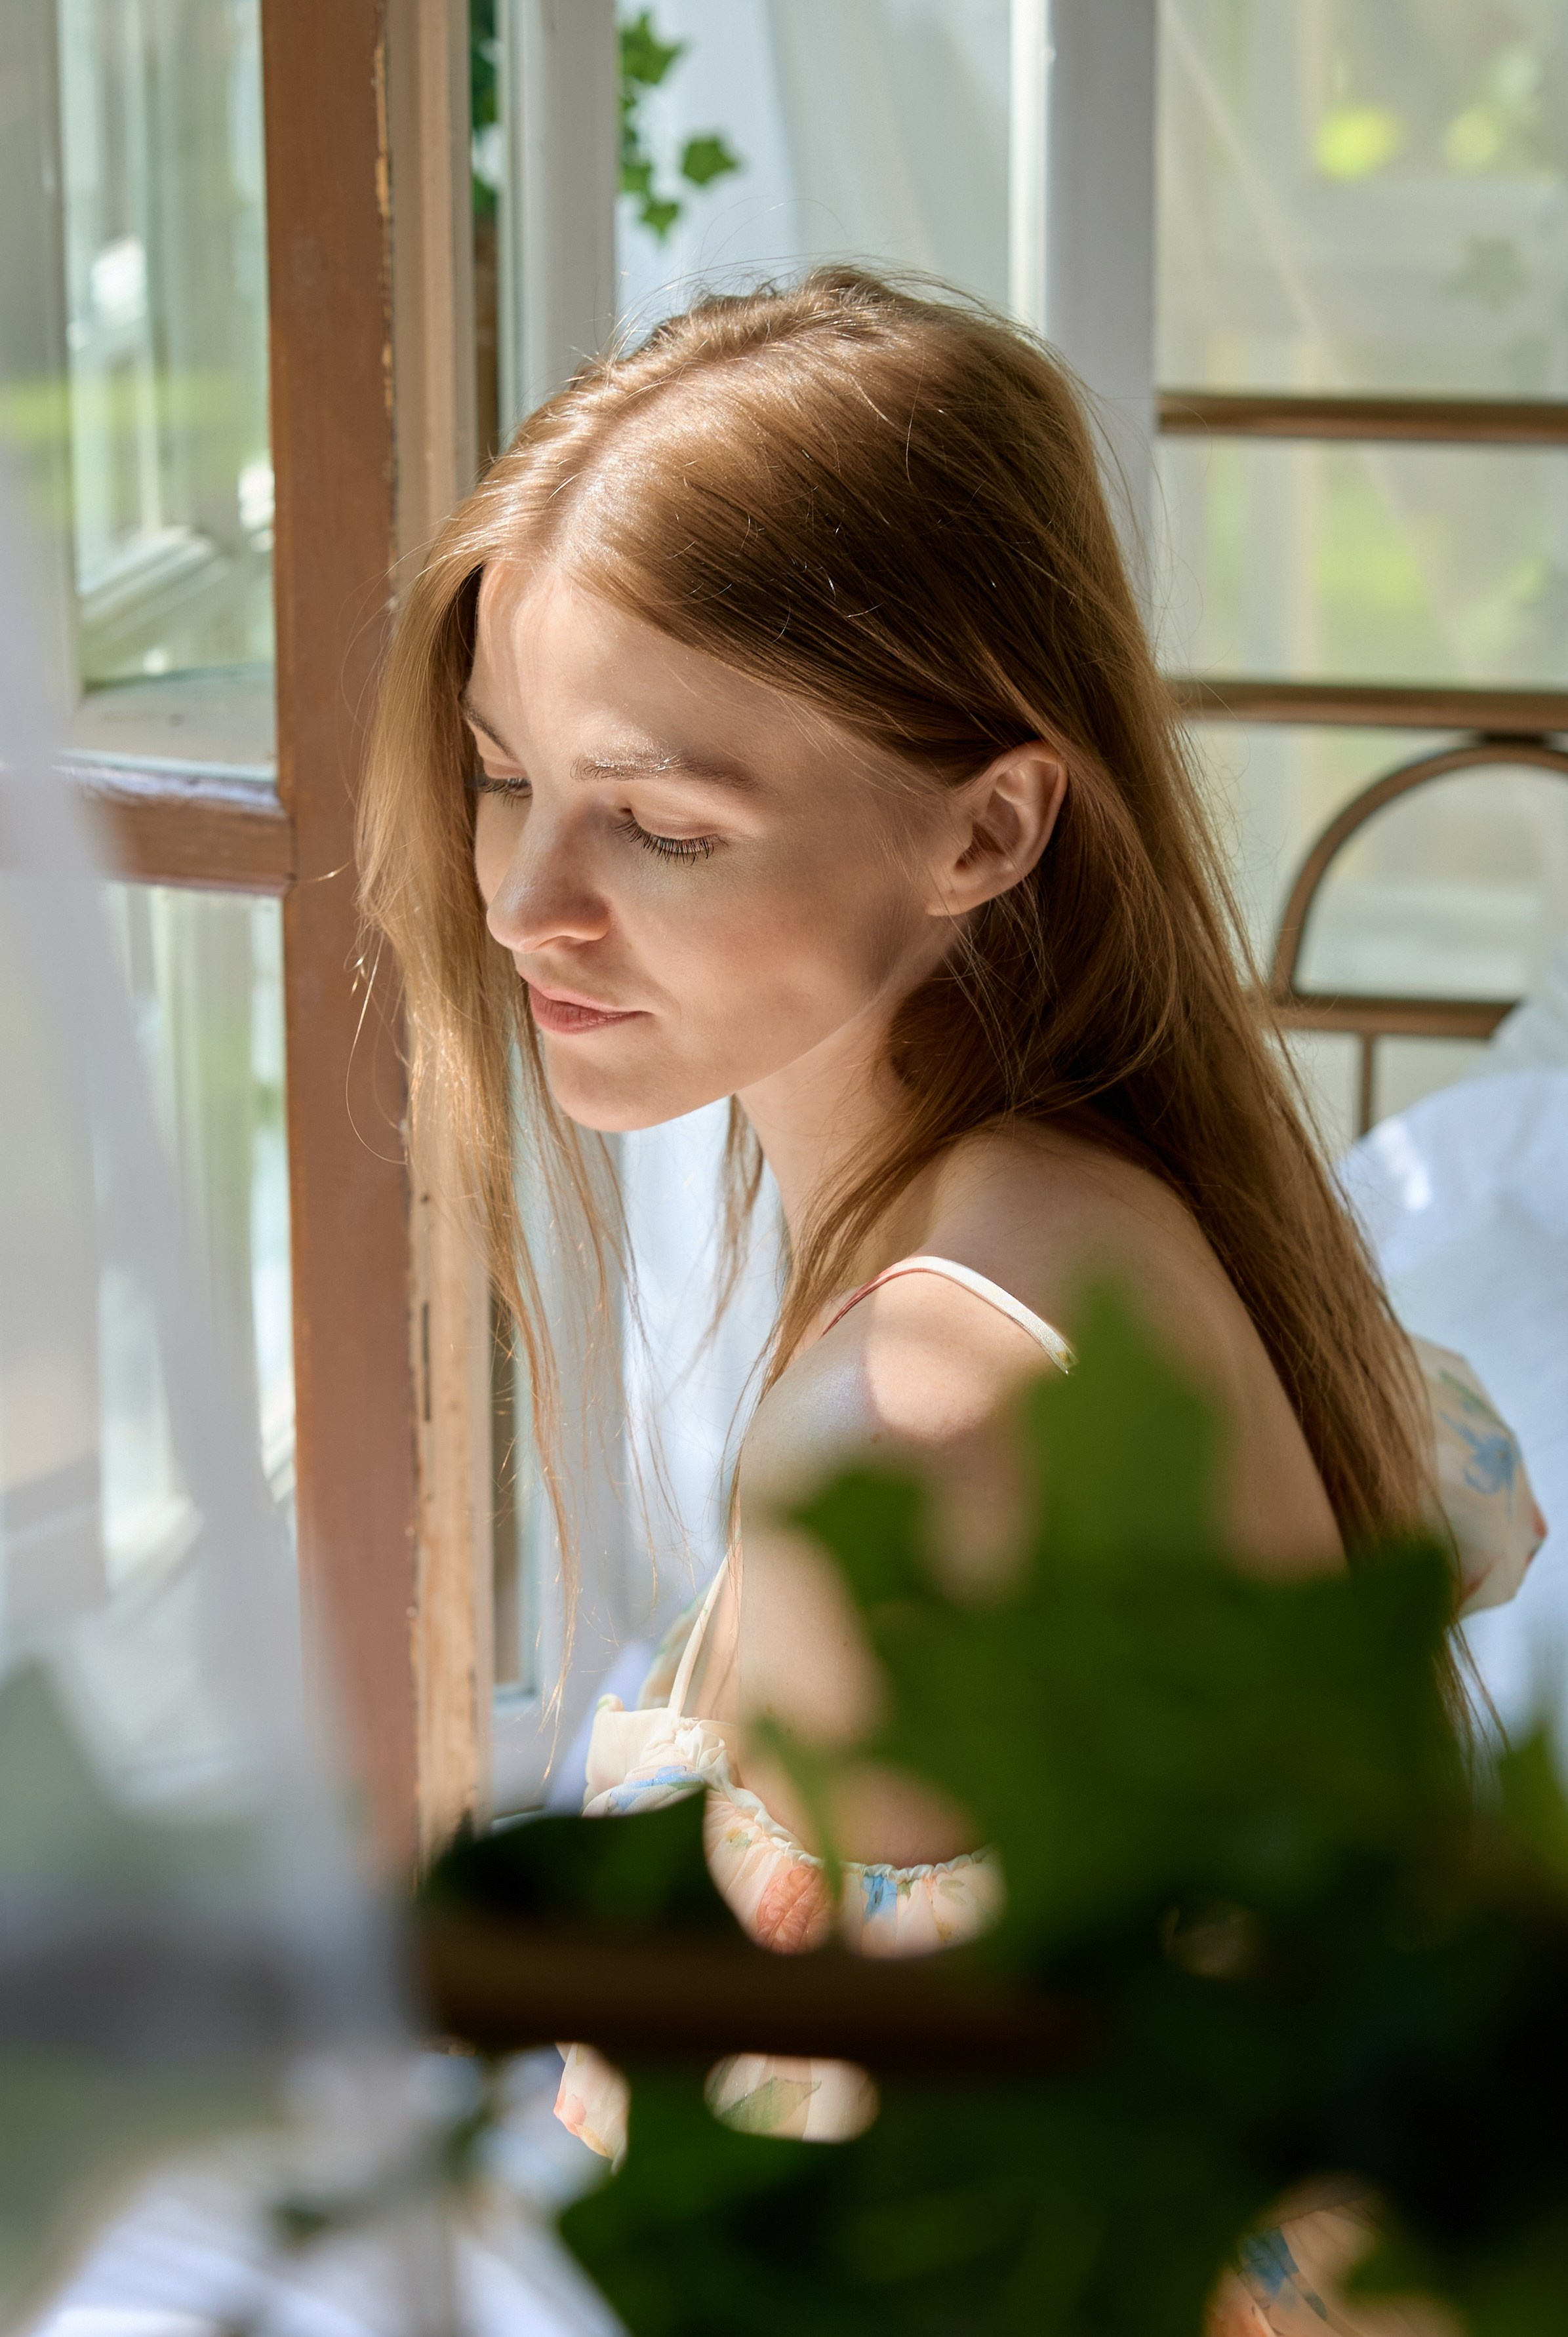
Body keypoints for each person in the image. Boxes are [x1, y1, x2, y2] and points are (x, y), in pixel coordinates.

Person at [359, 270, 1540, 2326]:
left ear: (989, 828)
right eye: (497, 774)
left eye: (657, 822)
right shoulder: (1104, 1206)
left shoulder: (914, 1421)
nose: (530, 902)